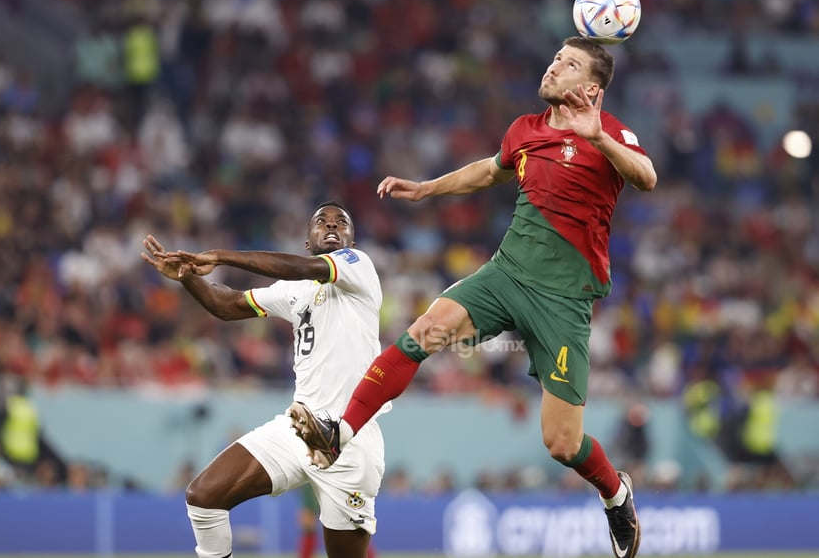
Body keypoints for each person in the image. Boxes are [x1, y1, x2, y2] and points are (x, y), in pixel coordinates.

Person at [290, 37, 657, 558]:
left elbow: (646, 177)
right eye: (555, 56)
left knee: (562, 444)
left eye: (569, 63)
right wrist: (425, 188)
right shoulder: (525, 130)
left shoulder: (610, 132)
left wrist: (599, 137)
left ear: (591, 88)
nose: (554, 65)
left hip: (563, 301)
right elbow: (489, 170)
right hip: (505, 276)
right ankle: (340, 431)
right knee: (424, 331)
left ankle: (615, 493)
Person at [141, 202, 388, 558]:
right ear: (308, 239)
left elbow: (302, 268)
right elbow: (225, 305)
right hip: (298, 428)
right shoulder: (295, 291)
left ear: (352, 238)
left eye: (341, 223)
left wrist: (220, 257)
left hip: (349, 440)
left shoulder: (357, 266)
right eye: (322, 221)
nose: (332, 226)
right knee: (203, 498)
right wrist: (189, 277)